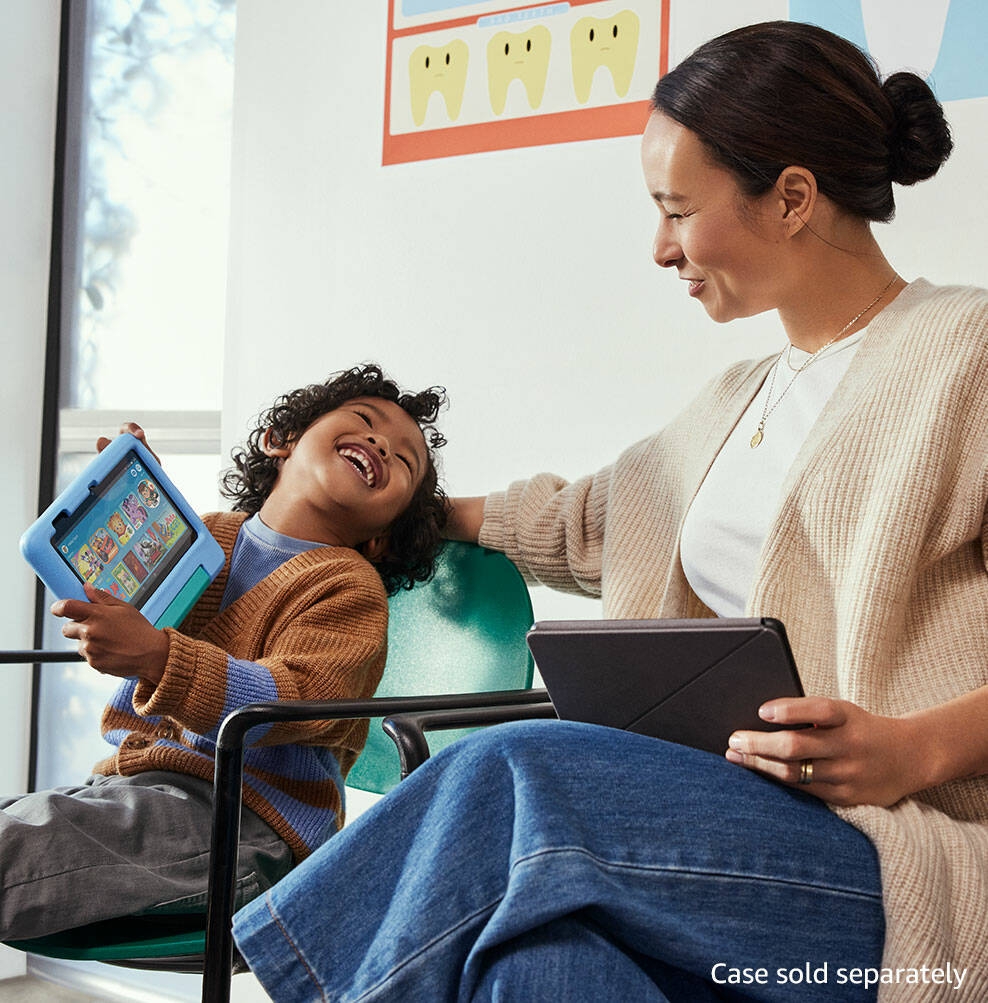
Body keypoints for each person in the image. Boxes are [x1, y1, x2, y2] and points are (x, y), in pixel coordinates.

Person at [232, 21, 988, 1003]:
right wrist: (369, 507)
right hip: (714, 840)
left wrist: (915, 745)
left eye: (677, 209)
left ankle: (293, 974)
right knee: (536, 966)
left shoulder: (963, 356)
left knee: (519, 771)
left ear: (791, 198)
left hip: (903, 865)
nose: (660, 246)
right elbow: (578, 520)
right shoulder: (734, 401)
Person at [0, 363, 448, 941]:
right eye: (364, 420)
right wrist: (138, 506)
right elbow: (138, 612)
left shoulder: (348, 586)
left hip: (246, 828)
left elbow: (293, 699)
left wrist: (160, 658)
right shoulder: (208, 534)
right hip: (132, 789)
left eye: (405, 461)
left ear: (383, 535)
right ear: (280, 441)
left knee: (16, 850)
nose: (383, 443)